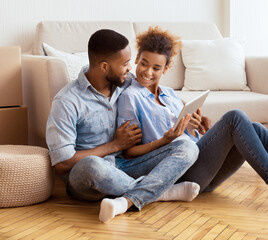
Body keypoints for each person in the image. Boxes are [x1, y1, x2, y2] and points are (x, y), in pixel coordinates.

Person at [117, 26, 268, 215]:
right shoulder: (130, 97)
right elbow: (128, 154)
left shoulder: (169, 95)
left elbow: (188, 137)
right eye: (144, 63)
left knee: (253, 128)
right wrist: (165, 140)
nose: (147, 72)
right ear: (137, 59)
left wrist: (200, 130)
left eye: (156, 67)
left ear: (166, 68)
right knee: (235, 117)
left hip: (200, 169)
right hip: (177, 174)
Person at [46, 29, 201, 223]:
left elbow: (159, 93)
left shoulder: (125, 82)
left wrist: (189, 114)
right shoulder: (67, 101)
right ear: (104, 67)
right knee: (92, 165)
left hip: (127, 166)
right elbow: (61, 165)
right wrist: (114, 146)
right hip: (89, 177)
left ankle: (137, 195)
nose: (131, 68)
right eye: (126, 63)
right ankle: (162, 192)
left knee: (187, 146)